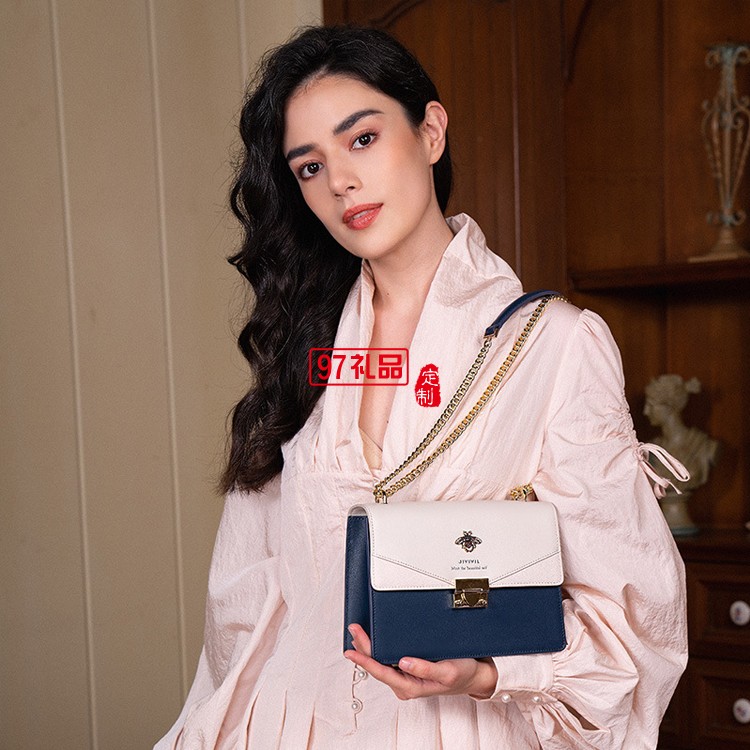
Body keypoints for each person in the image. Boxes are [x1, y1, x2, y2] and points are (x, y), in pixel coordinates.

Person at [155, 24, 688, 749]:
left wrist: (487, 673)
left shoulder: (552, 345)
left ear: (430, 132)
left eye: (363, 139)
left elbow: (633, 611)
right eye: (309, 167)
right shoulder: (305, 349)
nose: (340, 181)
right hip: (289, 726)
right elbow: (243, 605)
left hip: (459, 730)